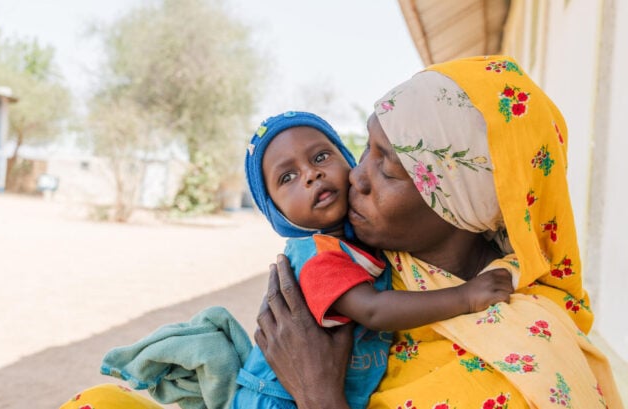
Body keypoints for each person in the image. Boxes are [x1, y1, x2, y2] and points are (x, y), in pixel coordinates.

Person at [256, 56, 624, 408]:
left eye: (388, 169)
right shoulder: (364, 267)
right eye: (367, 149)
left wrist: (318, 395)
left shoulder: (525, 361)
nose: (356, 177)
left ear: (458, 203)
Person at [235, 111, 513, 409]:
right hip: (277, 399)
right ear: (277, 212)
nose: (311, 174)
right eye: (287, 177)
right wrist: (465, 297)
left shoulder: (361, 238)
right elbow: (373, 311)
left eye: (320, 157)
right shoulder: (317, 257)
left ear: (347, 161)